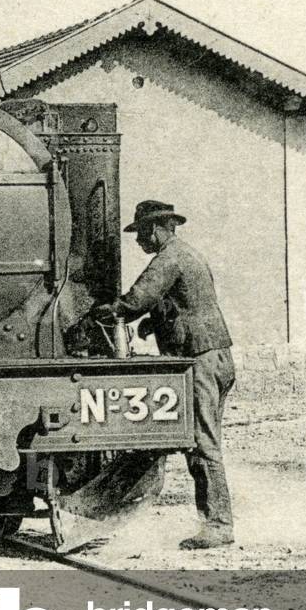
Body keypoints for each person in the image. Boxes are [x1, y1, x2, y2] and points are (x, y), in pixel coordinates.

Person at [92, 200, 236, 550]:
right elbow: (181, 303)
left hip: (199, 359)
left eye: (141, 234)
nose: (140, 242)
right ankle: (215, 520)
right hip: (216, 356)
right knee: (203, 440)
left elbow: (138, 297)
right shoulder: (188, 254)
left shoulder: (168, 258)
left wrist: (107, 311)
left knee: (202, 442)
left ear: (157, 229)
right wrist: (151, 325)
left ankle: (218, 525)